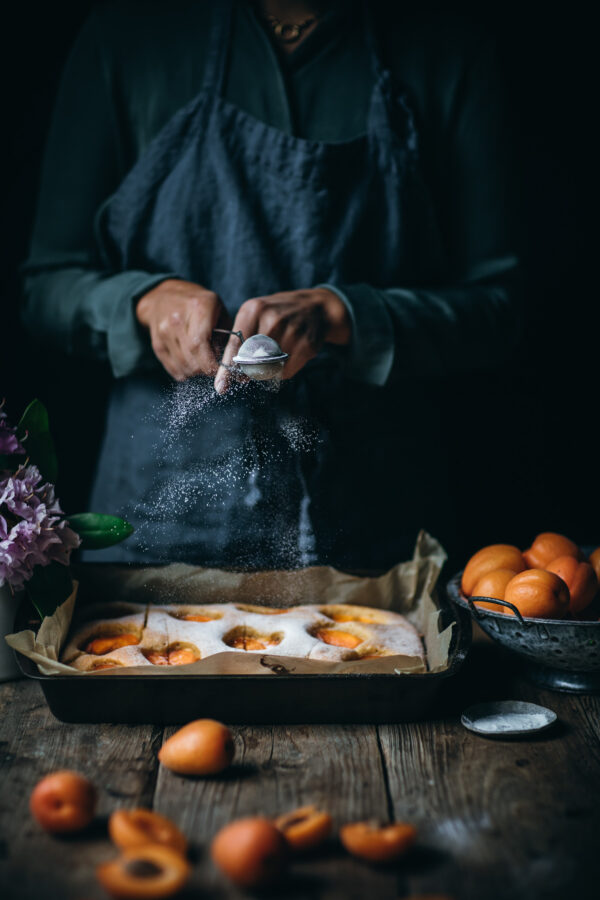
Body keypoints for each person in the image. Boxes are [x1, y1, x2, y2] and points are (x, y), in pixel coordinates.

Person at [21, 0, 520, 570]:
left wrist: (344, 315)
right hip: (159, 526)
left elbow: (499, 310)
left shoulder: (446, 48)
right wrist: (142, 303)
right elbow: (46, 286)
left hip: (373, 534)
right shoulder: (129, 37)